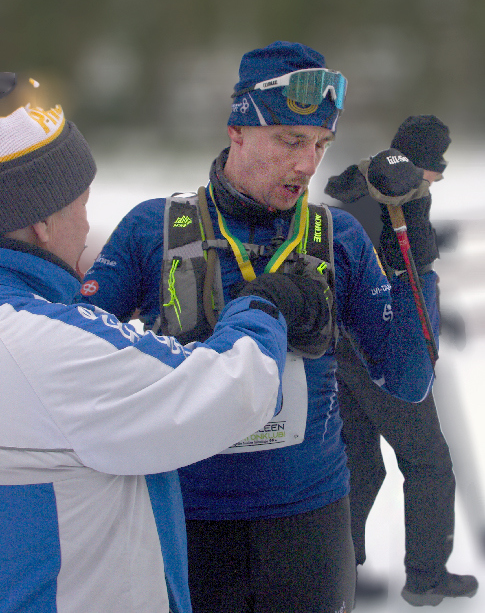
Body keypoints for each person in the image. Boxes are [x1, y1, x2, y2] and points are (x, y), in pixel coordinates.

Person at [77, 41, 440, 613]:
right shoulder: (154, 228)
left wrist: (412, 263)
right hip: (186, 517)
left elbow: (408, 379)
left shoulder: (338, 238)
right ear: (238, 131)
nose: (308, 165)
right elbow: (68, 360)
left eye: (320, 145)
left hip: (311, 522)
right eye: (291, 141)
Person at [0, 73, 320, 613]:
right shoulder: (44, 344)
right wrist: (264, 305)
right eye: (81, 204)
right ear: (42, 224)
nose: (87, 225)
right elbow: (228, 389)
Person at [325, 115, 479, 608]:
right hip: (384, 353)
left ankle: (338, 576)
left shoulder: (368, 185)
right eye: (438, 166)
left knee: (360, 465)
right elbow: (399, 274)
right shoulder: (399, 198)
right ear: (423, 161)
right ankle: (426, 577)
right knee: (429, 461)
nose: (440, 176)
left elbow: (379, 261)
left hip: (341, 350)